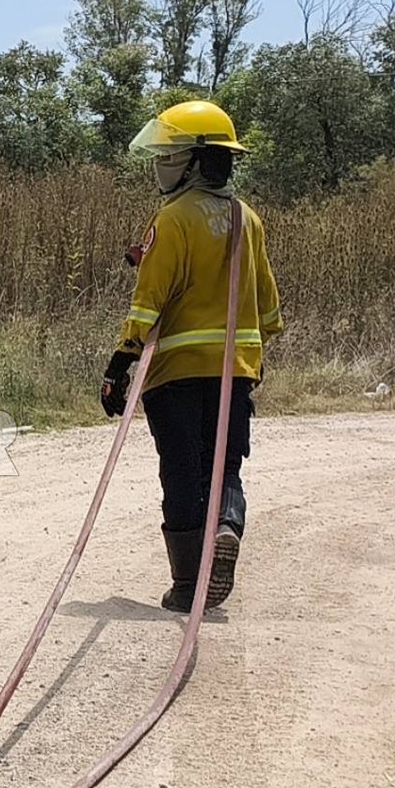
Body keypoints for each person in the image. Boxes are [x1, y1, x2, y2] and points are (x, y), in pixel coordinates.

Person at [100, 100, 282, 613]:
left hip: (176, 372)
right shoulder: (248, 219)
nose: (161, 164)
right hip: (234, 372)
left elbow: (148, 302)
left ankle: (186, 586)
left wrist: (120, 363)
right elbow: (269, 308)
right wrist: (251, 357)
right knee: (224, 466)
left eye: (168, 154)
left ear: (194, 161)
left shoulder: (173, 218)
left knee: (181, 473)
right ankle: (227, 526)